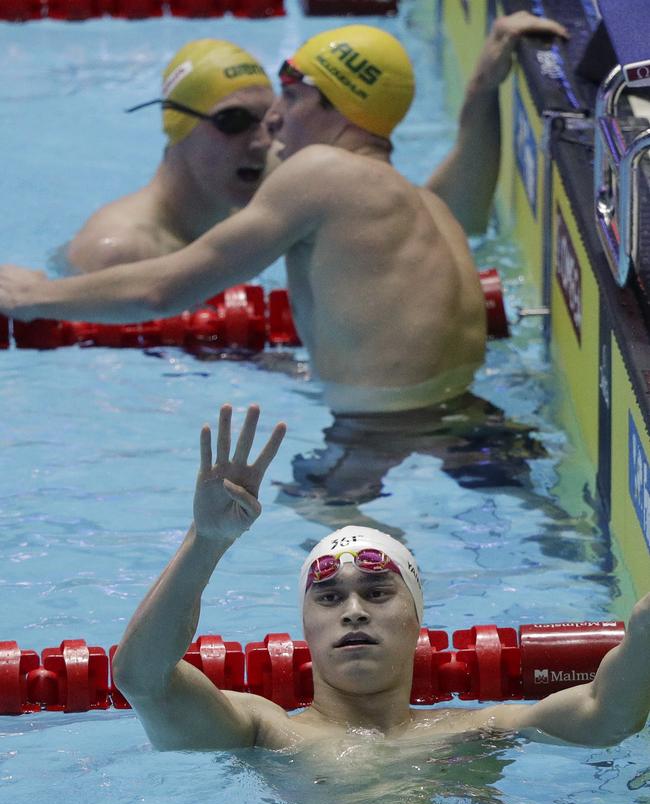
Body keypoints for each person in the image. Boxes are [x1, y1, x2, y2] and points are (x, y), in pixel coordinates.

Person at [0, 14, 568, 415]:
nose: (271, 124)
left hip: (378, 439)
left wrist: (29, 299)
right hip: (469, 417)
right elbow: (463, 210)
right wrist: (480, 94)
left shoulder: (318, 174)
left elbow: (161, 293)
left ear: (336, 108)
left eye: (290, 98)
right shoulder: (412, 202)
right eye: (235, 121)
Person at [112, 403, 650, 754]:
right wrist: (205, 541)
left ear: (417, 620)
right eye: (327, 597)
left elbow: (606, 716)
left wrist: (645, 632)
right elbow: (142, 678)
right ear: (305, 626)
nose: (352, 610)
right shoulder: (265, 733)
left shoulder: (477, 732)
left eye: (376, 592)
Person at [65, 39, 275, 273]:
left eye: (271, 121)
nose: (263, 142)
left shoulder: (265, 207)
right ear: (179, 126)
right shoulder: (121, 253)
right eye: (234, 120)